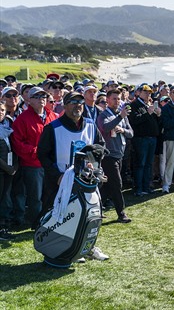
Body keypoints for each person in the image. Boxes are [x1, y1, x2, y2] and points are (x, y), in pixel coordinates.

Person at [37, 91, 109, 261]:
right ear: (65, 105)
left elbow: (100, 147)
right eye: (73, 102)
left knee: (89, 214)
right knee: (64, 216)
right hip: (61, 182)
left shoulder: (91, 125)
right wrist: (57, 176)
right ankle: (67, 249)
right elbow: (43, 155)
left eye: (81, 102)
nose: (78, 105)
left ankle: (87, 247)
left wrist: (94, 161)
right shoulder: (53, 128)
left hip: (86, 180)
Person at [11, 87, 58, 227]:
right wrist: (37, 152)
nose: (41, 99)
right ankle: (36, 222)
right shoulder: (22, 119)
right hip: (32, 165)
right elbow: (17, 144)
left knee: (50, 194)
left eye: (43, 96)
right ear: (29, 100)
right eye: (37, 97)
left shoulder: (53, 116)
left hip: (51, 164)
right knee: (35, 197)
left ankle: (50, 220)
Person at [97, 89, 134, 223]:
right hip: (108, 155)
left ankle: (95, 209)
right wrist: (120, 117)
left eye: (119, 99)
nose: (117, 101)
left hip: (120, 154)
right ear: (107, 100)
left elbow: (131, 133)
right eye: (114, 99)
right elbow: (105, 127)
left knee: (108, 186)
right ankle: (121, 213)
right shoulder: (103, 115)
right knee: (117, 184)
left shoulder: (122, 115)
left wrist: (122, 129)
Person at [128, 84, 161, 196]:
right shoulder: (134, 105)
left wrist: (158, 114)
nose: (148, 94)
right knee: (140, 164)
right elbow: (134, 121)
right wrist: (148, 113)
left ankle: (146, 186)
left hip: (152, 138)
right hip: (140, 138)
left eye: (149, 92)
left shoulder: (149, 105)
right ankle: (139, 188)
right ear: (138, 92)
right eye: (145, 91)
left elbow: (155, 123)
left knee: (148, 164)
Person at [0, 102, 17, 240]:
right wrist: (8, 168)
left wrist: (14, 167)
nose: (0, 112)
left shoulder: (8, 127)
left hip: (9, 170)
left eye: (2, 110)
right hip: (3, 170)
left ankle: (4, 226)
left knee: (5, 197)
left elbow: (14, 148)